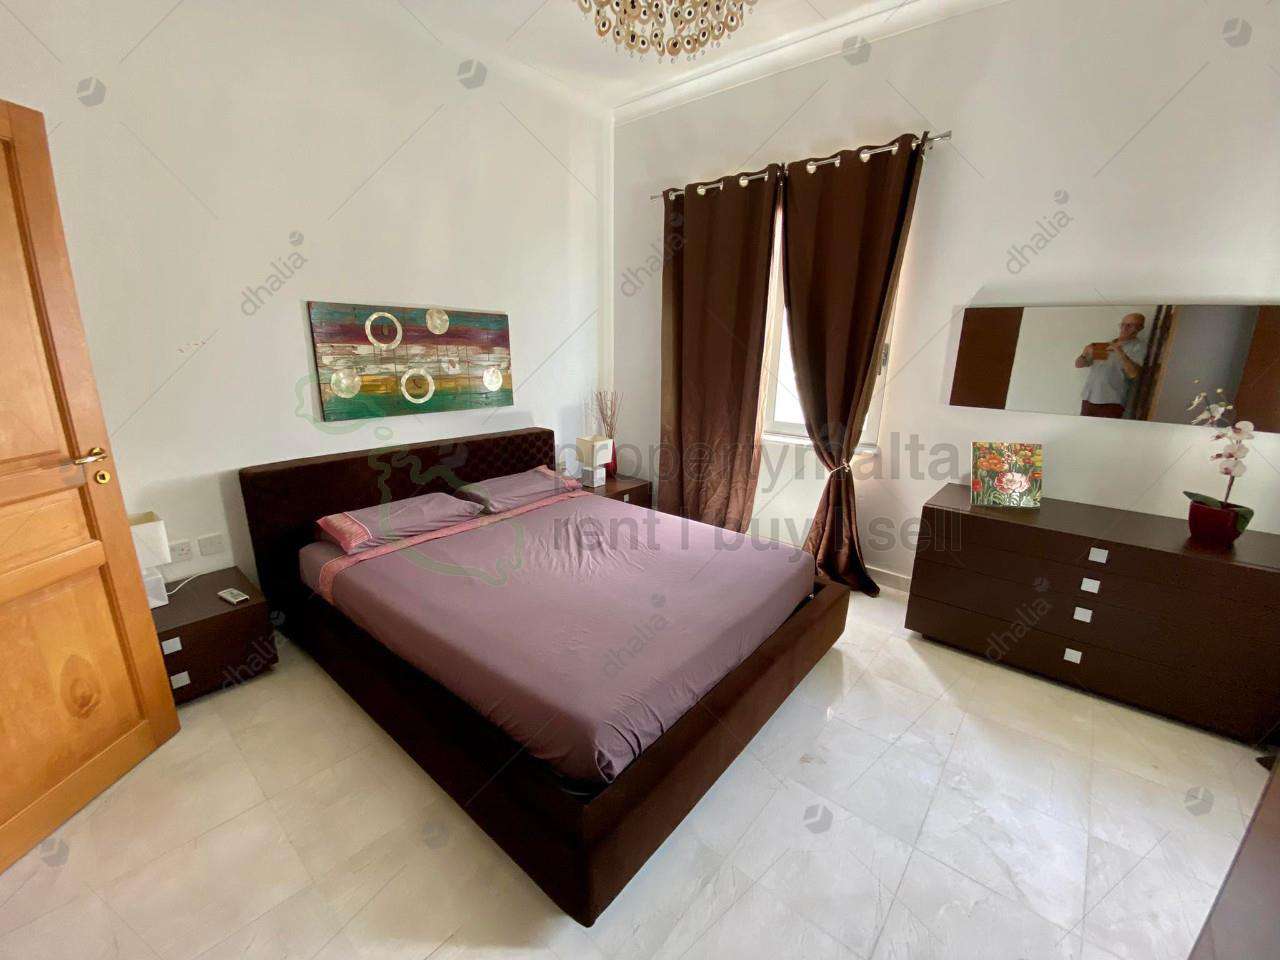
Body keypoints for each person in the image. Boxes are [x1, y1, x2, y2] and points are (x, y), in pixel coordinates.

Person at [1075, 313, 1146, 417]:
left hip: (1111, 402)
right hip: (1089, 397)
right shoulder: (1106, 344)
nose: (1124, 328)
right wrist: (1084, 353)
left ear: (1140, 328)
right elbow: (1079, 364)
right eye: (1123, 324)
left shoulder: (1139, 347)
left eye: (1130, 325)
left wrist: (1119, 351)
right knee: (1084, 427)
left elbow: (1133, 374)